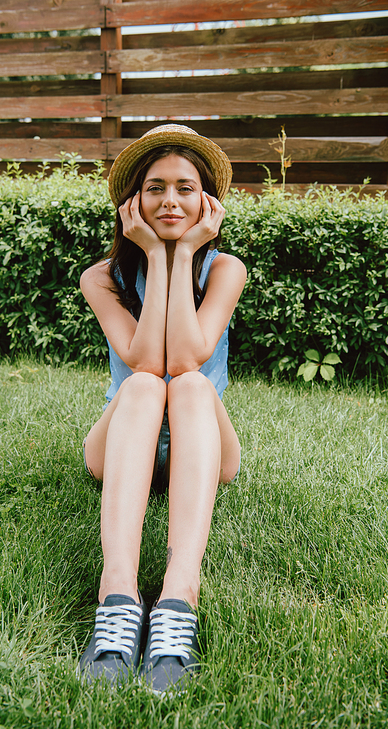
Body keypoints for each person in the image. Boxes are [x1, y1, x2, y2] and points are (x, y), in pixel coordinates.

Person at [76, 124, 247, 693]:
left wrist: (186, 255)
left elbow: (190, 355)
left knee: (193, 384)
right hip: (128, 437)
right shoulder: (102, 277)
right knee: (147, 386)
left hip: (202, 441)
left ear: (207, 201)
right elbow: (148, 360)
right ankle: (118, 592)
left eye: (185, 188)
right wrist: (153, 255)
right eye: (155, 188)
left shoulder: (224, 268)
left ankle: (179, 594)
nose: (170, 200)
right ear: (132, 202)